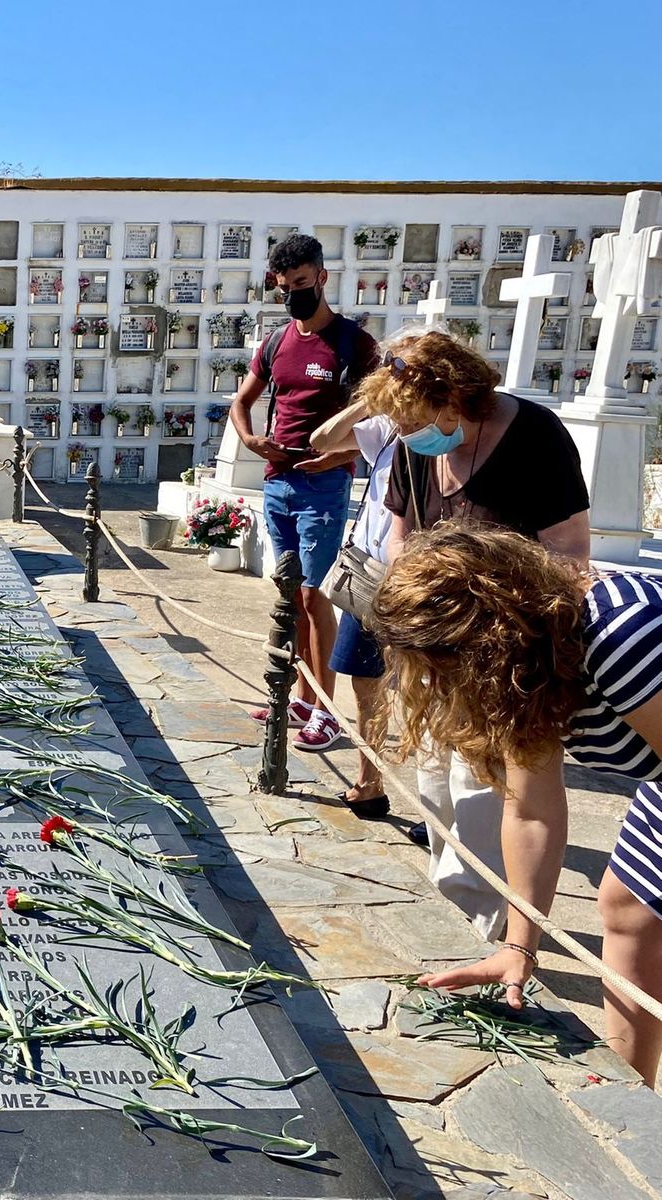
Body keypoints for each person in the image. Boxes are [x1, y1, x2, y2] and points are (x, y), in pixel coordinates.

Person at [372, 525, 662, 1083]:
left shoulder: (622, 640)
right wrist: (518, 949)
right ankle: (633, 1088)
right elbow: (532, 811)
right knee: (628, 908)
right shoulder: (531, 669)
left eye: (439, 663)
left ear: (486, 639)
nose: (432, 682)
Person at [360, 328, 589, 937]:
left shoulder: (535, 438)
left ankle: (497, 931)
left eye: (417, 420)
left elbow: (568, 557)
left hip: (505, 649)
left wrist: (506, 624)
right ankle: (463, 900)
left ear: (460, 395)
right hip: (433, 644)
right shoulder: (415, 440)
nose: (409, 436)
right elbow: (400, 534)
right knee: (435, 780)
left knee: (486, 791)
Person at [233, 233, 379, 752]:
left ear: (322, 276)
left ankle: (326, 710)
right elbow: (242, 400)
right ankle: (300, 695)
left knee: (317, 596)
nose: (292, 293)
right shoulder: (276, 342)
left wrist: (340, 457)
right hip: (278, 483)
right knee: (291, 592)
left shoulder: (354, 345)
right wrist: (252, 440)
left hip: (324, 485)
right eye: (283, 286)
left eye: (300, 283)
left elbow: (379, 422)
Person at [305, 392, 399, 820]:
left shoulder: (452, 437)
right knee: (367, 685)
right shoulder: (385, 430)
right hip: (368, 574)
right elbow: (323, 439)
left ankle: (444, 812)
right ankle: (370, 783)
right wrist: (370, 400)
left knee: (427, 689)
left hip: (417, 576)